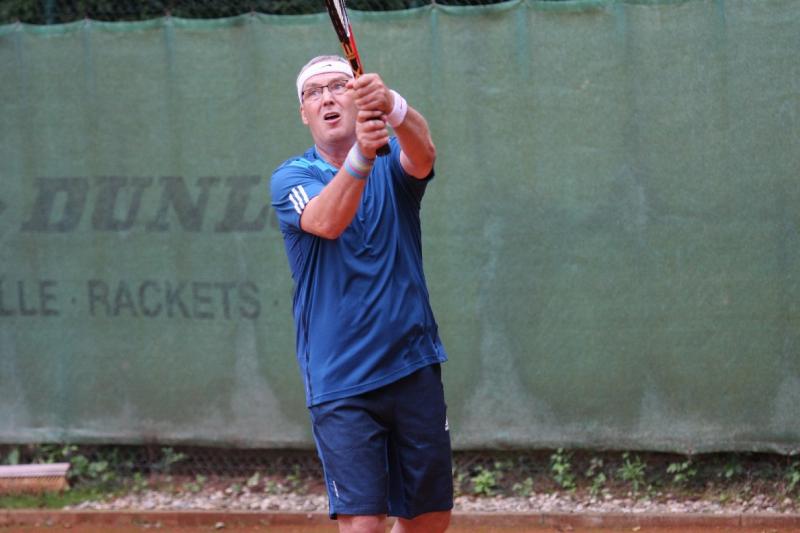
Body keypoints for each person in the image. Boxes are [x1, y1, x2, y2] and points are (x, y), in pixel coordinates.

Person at [270, 55, 452, 533]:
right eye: (313, 93)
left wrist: (393, 105)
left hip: (412, 364)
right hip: (341, 380)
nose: (326, 98)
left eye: (338, 86)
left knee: (430, 518)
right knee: (364, 523)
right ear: (304, 113)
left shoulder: (392, 166)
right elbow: (326, 221)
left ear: (357, 98)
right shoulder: (291, 177)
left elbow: (424, 153)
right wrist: (362, 157)